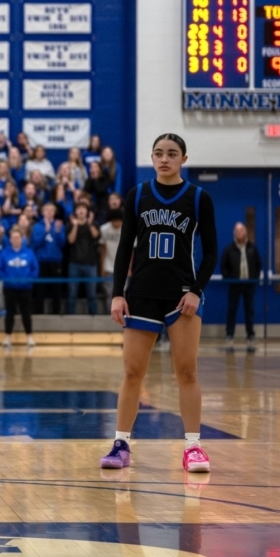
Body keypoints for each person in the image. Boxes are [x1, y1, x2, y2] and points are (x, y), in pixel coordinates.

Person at [101, 133, 218, 473]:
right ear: (152, 158)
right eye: (158, 153)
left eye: (172, 153)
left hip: (181, 295)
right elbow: (125, 248)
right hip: (141, 294)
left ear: (183, 158)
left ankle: (193, 447)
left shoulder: (198, 198)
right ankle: (121, 444)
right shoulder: (137, 195)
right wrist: (117, 293)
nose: (164, 159)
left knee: (187, 371)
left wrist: (196, 290)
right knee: (132, 372)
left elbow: (210, 251)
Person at [220, 222, 262, 344]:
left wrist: (255, 277)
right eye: (236, 231)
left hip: (249, 284)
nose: (238, 233)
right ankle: (229, 334)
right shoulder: (229, 249)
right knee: (232, 310)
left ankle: (250, 334)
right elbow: (223, 266)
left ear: (246, 232)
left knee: (249, 310)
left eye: (241, 230)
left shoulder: (252, 248)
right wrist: (229, 278)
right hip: (234, 285)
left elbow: (258, 264)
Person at [0, 227, 39, 349]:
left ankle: (29, 337)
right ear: (10, 239)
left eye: (18, 237)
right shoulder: (5, 253)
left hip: (25, 288)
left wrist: (29, 280)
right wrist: (7, 280)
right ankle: (7, 337)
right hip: (9, 288)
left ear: (22, 239)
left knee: (26, 313)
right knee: (10, 313)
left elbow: (35, 269)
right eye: (13, 237)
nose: (16, 239)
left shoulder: (29, 252)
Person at [31, 202, 66, 314]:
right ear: (42, 212)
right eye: (47, 210)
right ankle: (39, 313)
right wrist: (45, 231)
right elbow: (36, 243)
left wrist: (57, 232)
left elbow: (62, 244)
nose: (49, 212)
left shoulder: (59, 225)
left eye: (52, 210)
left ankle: (56, 314)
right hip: (41, 261)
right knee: (40, 290)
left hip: (55, 261)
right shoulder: (37, 226)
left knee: (56, 290)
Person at [66, 202, 100, 315]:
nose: (81, 210)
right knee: (72, 294)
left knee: (92, 294)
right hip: (74, 263)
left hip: (91, 263)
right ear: (75, 211)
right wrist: (75, 225)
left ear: (87, 211)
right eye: (79, 208)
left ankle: (94, 319)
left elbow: (96, 236)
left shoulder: (93, 224)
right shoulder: (71, 225)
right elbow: (71, 240)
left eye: (83, 208)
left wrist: (89, 223)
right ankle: (70, 318)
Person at [98, 207, 123, 310]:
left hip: (122, 266)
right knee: (109, 293)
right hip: (108, 265)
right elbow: (102, 249)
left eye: (118, 221)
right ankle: (110, 315)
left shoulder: (127, 228)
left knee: (122, 294)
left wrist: (129, 268)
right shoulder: (104, 229)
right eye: (114, 221)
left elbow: (131, 250)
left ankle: (122, 316)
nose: (116, 224)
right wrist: (102, 266)